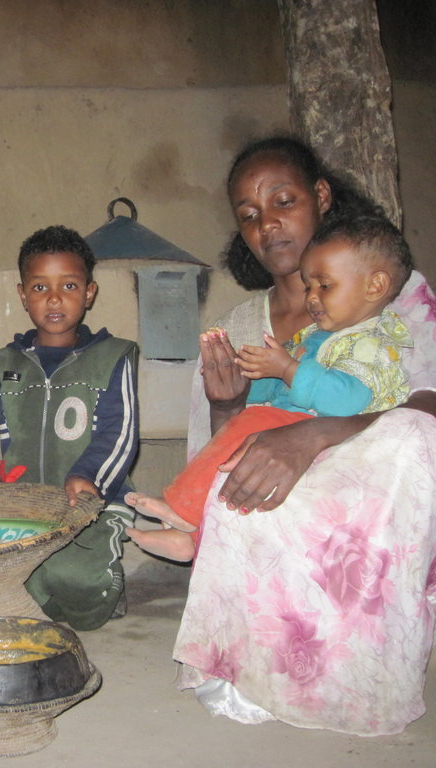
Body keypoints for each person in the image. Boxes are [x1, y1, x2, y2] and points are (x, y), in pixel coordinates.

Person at [175, 136, 436, 735]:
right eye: (248, 216)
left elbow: (425, 403)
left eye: (283, 201)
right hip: (275, 493)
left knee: (412, 439)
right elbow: (216, 449)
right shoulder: (240, 328)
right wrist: (227, 403)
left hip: (367, 492)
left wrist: (317, 435)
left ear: (320, 197)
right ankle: (260, 656)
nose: (267, 225)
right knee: (239, 466)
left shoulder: (391, 291)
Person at [127, 214, 414, 562]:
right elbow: (280, 386)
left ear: (375, 286)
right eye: (308, 286)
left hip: (348, 450)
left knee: (250, 429)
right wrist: (245, 383)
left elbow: (347, 400)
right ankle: (190, 535)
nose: (311, 297)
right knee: (242, 434)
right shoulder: (316, 337)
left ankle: (182, 506)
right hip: (297, 428)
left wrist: (289, 368)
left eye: (324, 285)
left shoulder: (372, 342)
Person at [0, 225, 139, 631]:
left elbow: (119, 432)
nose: (54, 299)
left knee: (78, 586)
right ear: (22, 295)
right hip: (22, 506)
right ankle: (41, 594)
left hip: (90, 504)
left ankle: (107, 588)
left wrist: (87, 475)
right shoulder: (4, 364)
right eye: (40, 287)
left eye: (68, 285)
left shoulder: (113, 356)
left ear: (89, 292)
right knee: (7, 583)